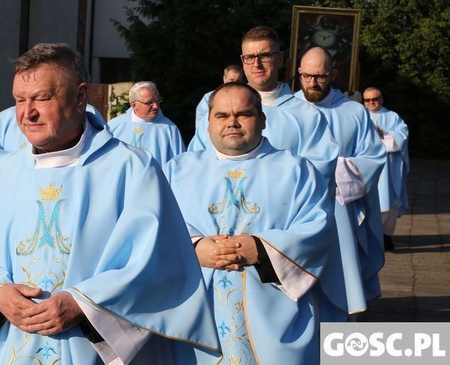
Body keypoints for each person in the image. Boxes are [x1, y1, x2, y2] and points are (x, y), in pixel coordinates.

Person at [0, 43, 220, 364]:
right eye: (19, 100)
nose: (27, 113)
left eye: (42, 98)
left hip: (92, 348)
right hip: (12, 345)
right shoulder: (0, 172)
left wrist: (83, 304)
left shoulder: (131, 169)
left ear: (80, 96)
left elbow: (159, 261)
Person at [164, 83, 344, 364]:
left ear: (262, 120)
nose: (232, 122)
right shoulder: (176, 170)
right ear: (208, 123)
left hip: (274, 315)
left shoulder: (296, 170)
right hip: (198, 319)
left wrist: (261, 249)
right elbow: (156, 231)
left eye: (243, 114)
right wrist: (195, 247)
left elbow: (317, 231)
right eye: (222, 115)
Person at [295, 47, 386, 315]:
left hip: (339, 209)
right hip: (296, 209)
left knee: (340, 274)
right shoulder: (286, 110)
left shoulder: (353, 112)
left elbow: (374, 158)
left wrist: (333, 170)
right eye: (307, 76)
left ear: (333, 73)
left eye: (320, 76)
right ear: (298, 73)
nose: (313, 83)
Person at [188, 26, 339, 187]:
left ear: (280, 59)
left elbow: (317, 174)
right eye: (250, 57)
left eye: (265, 56)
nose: (257, 64)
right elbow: (197, 164)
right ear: (243, 61)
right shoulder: (220, 111)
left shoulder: (308, 116)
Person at [363, 87, 410, 251]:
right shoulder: (359, 116)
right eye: (367, 100)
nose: (371, 103)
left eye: (374, 99)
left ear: (381, 99)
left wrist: (382, 134)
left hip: (388, 169)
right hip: (367, 167)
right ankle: (369, 236)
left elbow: (401, 138)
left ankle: (386, 235)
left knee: (388, 202)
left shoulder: (392, 117)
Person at [106, 81, 185, 165]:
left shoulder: (169, 129)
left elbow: (179, 164)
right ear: (134, 105)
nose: (155, 106)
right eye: (149, 102)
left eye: (157, 100)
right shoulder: (114, 126)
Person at [194, 65, 244, 133]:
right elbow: (201, 126)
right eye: (231, 80)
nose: (234, 83)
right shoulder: (209, 98)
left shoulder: (248, 97)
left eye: (238, 81)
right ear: (224, 79)